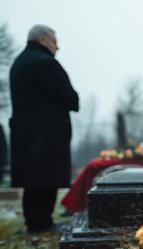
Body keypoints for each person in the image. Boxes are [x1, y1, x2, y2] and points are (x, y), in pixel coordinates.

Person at [9, 25, 79, 233]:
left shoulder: (20, 62)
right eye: (55, 42)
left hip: (28, 133)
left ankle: (35, 222)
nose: (57, 48)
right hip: (47, 135)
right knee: (45, 178)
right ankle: (42, 223)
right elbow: (70, 98)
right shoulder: (45, 63)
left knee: (33, 181)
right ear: (42, 40)